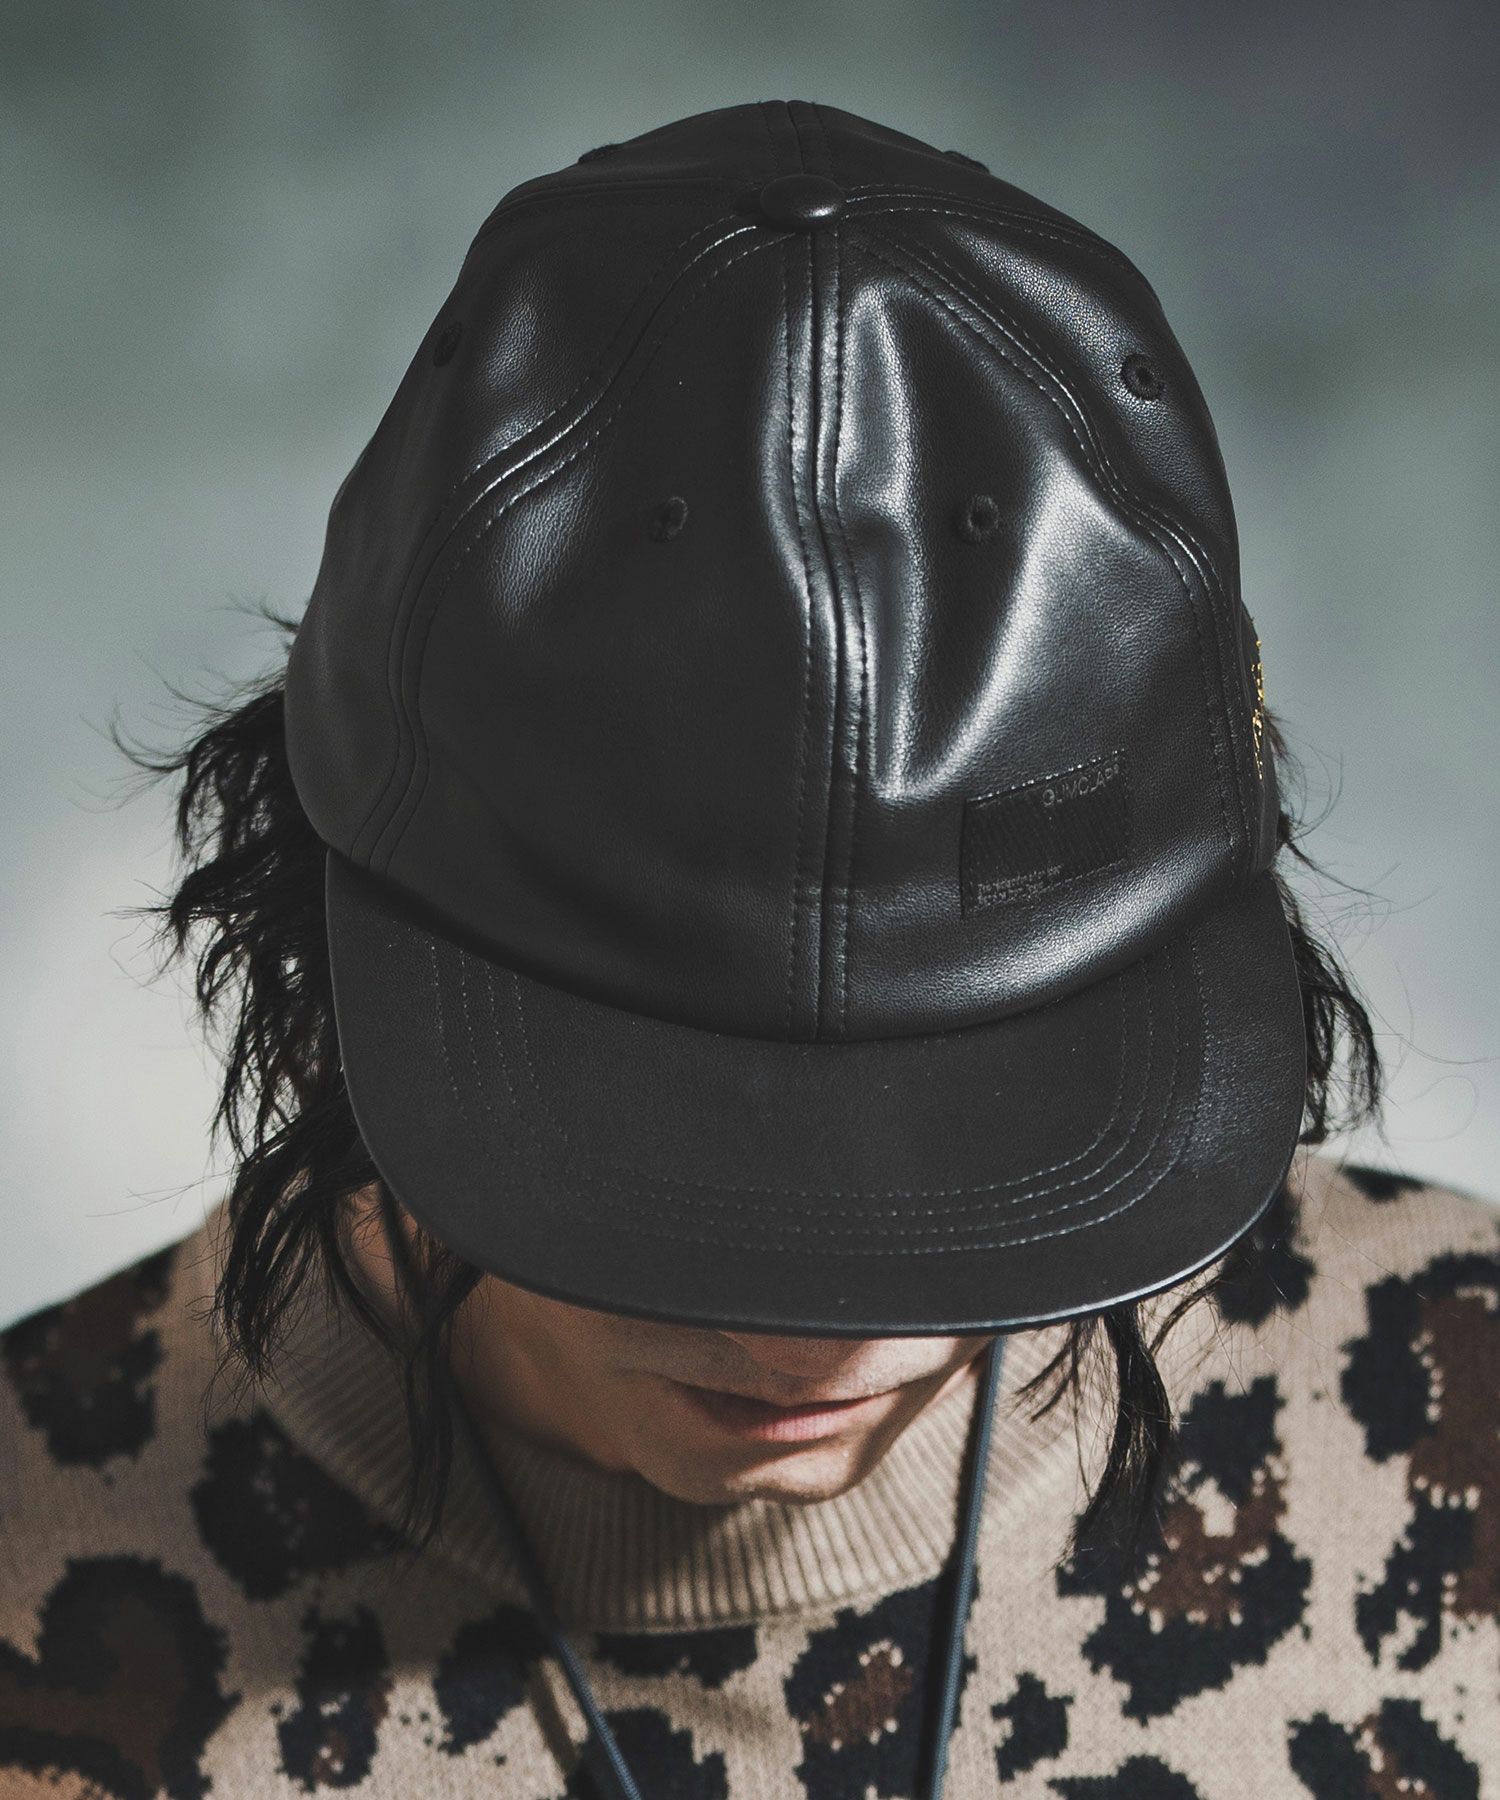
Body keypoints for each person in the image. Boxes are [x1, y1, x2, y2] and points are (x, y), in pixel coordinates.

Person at [2, 99, 1495, 1800]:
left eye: (983, 1138)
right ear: (330, 943)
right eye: (665, 1140)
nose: (815, 1347)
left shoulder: (1459, 1432)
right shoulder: (37, 1551)